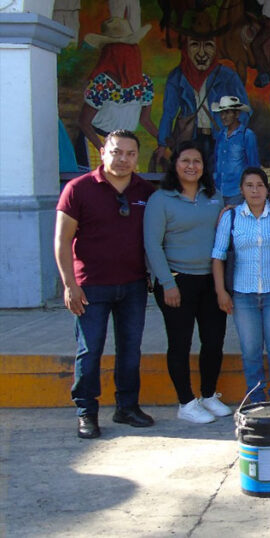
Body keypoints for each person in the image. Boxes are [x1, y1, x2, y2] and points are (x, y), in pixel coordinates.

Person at [56, 129, 156, 439]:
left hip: (133, 285)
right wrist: (69, 284)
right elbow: (61, 241)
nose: (123, 159)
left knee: (130, 350)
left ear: (137, 158)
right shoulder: (78, 189)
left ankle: (127, 407)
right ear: (103, 153)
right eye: (116, 152)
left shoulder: (146, 191)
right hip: (90, 287)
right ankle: (86, 412)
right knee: (90, 350)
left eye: (129, 154)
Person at [144, 141, 231, 424]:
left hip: (210, 281)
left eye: (197, 161)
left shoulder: (214, 196)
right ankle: (185, 401)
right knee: (180, 343)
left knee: (214, 341)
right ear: (175, 164)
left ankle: (208, 395)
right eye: (185, 161)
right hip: (177, 282)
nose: (191, 166)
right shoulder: (161, 199)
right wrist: (167, 283)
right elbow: (152, 245)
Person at [212, 167, 270, 402]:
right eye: (249, 185)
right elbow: (218, 255)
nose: (255, 190)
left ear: (268, 189)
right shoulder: (231, 217)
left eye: (260, 185)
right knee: (251, 351)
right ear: (241, 189)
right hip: (243, 295)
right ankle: (255, 401)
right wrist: (221, 292)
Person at [157, 13, 250, 167]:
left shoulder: (228, 76)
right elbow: (168, 112)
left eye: (208, 45)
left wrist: (234, 137)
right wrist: (162, 143)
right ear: (186, 48)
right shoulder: (177, 76)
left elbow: (245, 110)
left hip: (219, 138)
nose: (201, 53)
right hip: (189, 139)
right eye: (195, 45)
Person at [77, 17, 158, 168]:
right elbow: (84, 122)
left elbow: (145, 120)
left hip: (126, 145)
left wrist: (164, 141)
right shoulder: (102, 83)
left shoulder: (145, 83)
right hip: (96, 142)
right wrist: (104, 150)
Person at [211, 96, 259, 206]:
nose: (223, 117)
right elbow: (217, 162)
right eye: (222, 113)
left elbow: (254, 166)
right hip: (219, 190)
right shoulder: (221, 136)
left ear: (237, 114)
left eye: (227, 113)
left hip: (238, 193)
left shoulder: (247, 135)